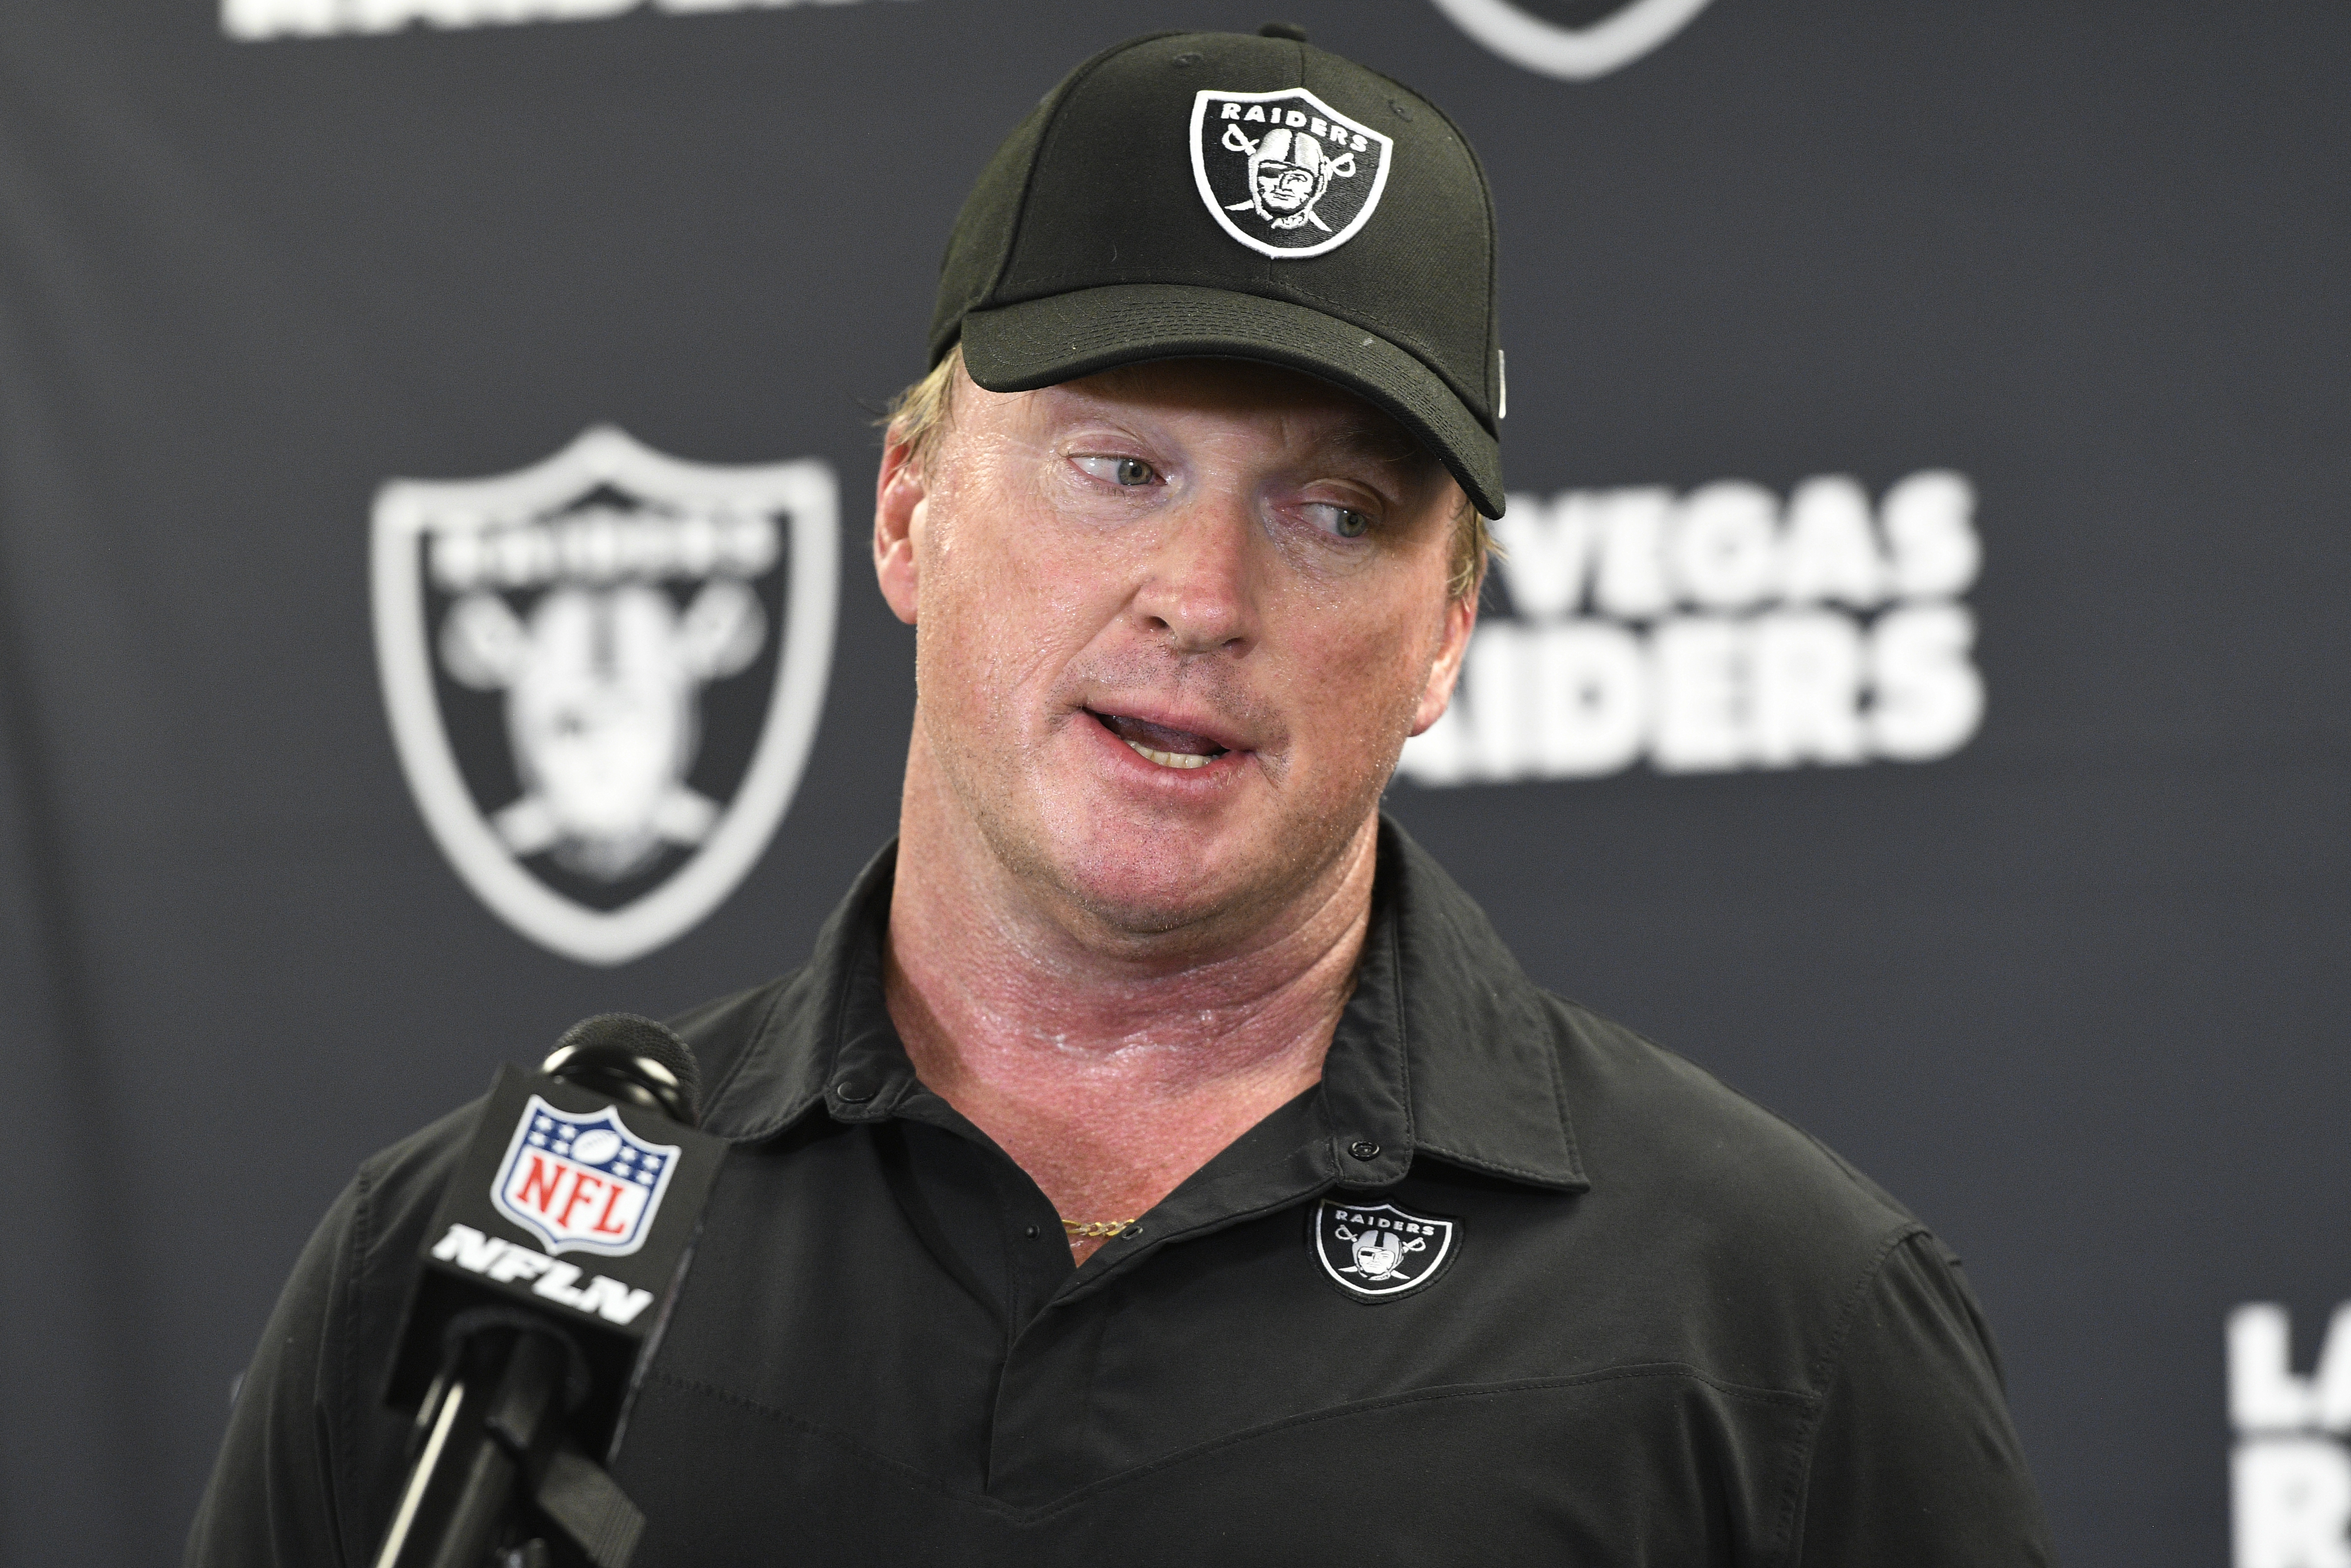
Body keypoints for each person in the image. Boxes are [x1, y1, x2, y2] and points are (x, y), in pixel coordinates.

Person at [188, 25, 2057, 1564]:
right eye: (1117, 465)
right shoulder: (466, 1275)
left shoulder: (1780, 1327)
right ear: (910, 510)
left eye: (1335, 512)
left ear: (1448, 630)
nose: (1207, 598)